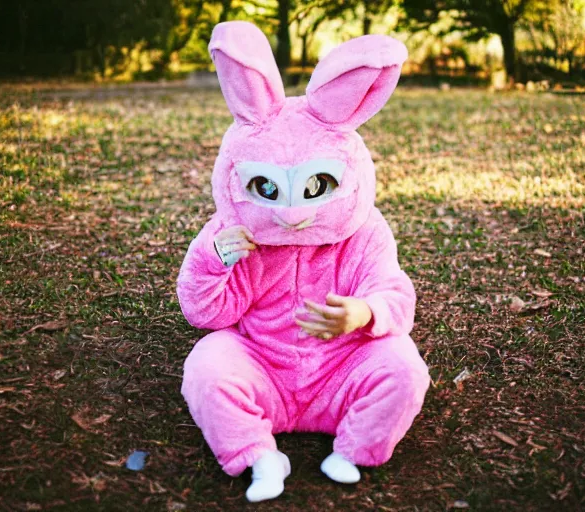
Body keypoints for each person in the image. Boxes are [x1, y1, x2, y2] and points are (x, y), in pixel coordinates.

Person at [177, 21, 430, 502]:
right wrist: (213, 260)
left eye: (316, 188)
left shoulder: (365, 231)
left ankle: (355, 446)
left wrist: (364, 313)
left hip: (344, 366)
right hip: (262, 363)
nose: (293, 214)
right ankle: (257, 452)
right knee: (206, 366)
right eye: (267, 190)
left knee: (404, 368)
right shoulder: (234, 235)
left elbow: (395, 293)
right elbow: (206, 314)